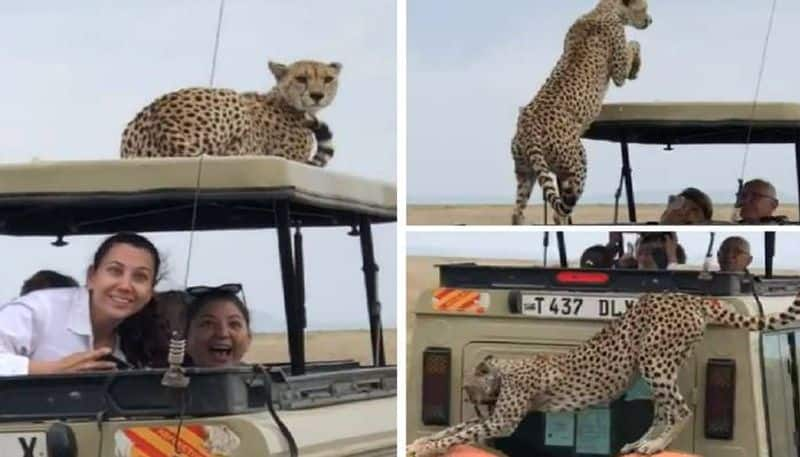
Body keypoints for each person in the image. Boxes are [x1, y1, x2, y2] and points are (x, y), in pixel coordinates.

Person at [0, 232, 162, 376]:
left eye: (140, 277)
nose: (125, 286)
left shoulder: (143, 338)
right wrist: (50, 370)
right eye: (115, 271)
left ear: (150, 291)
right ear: (91, 276)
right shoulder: (39, 310)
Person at [184, 284, 252, 367]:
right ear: (186, 338)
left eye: (234, 324)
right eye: (208, 324)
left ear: (249, 338)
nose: (222, 334)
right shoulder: (168, 379)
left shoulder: (265, 378)